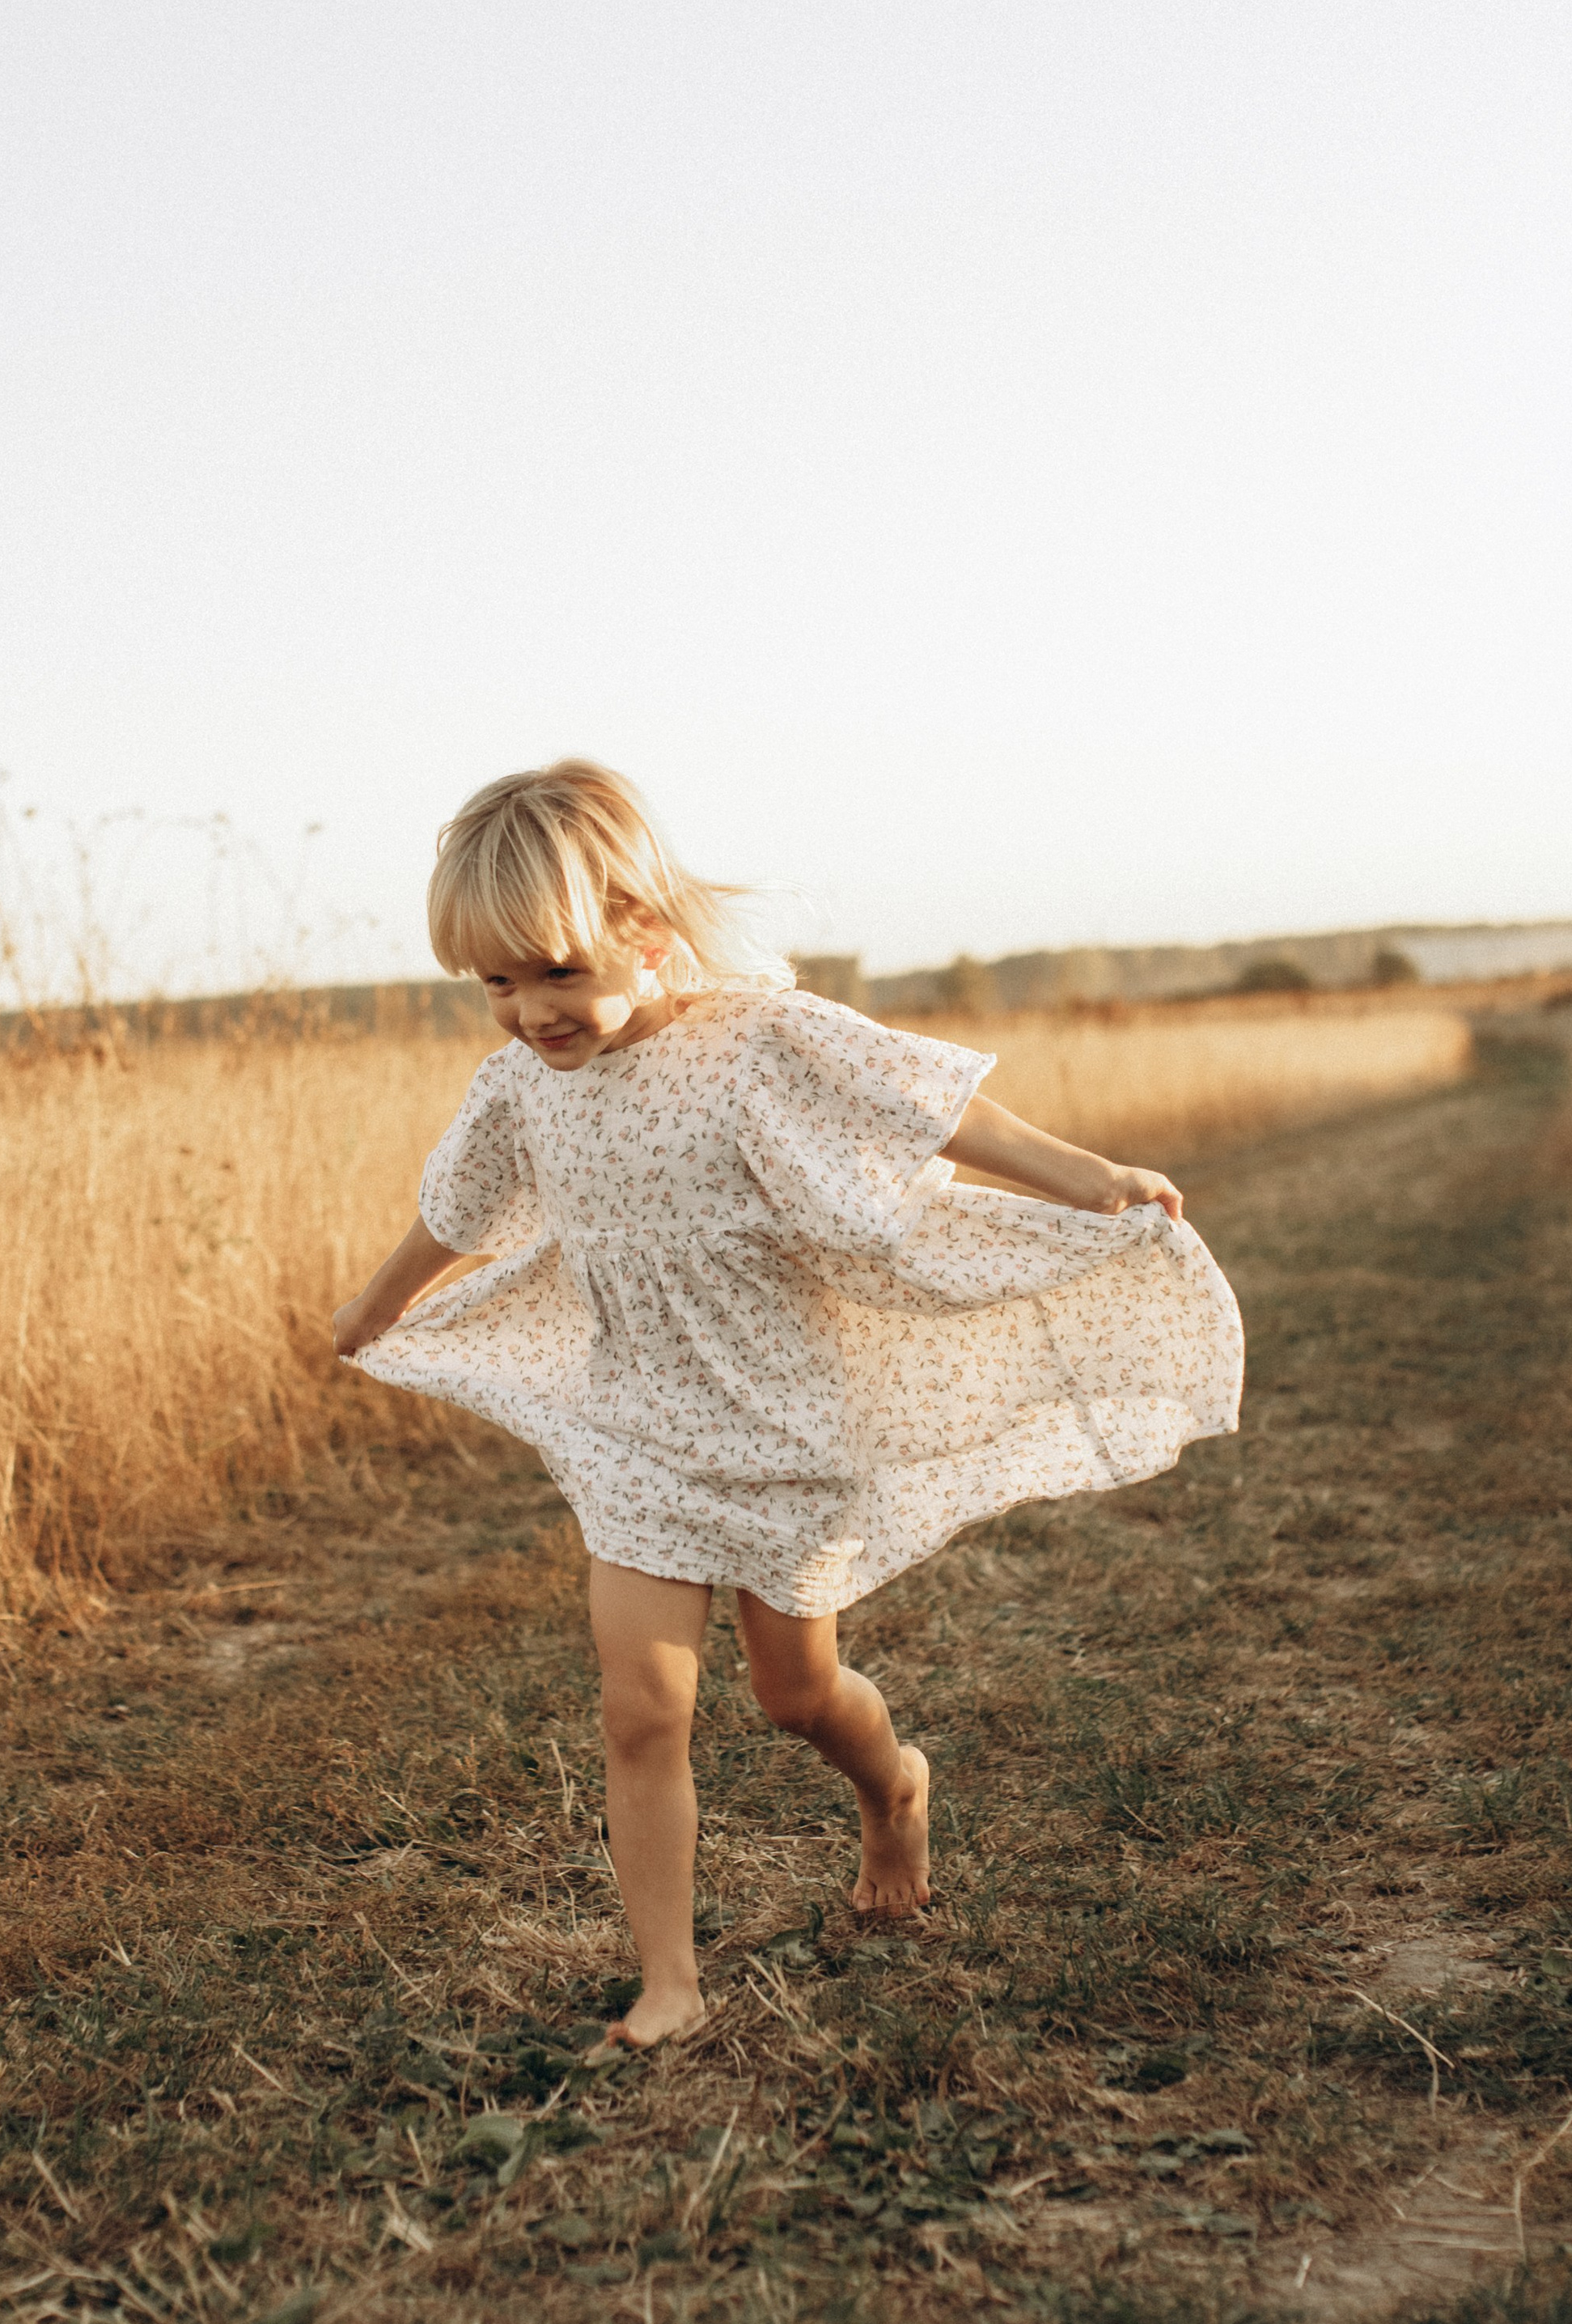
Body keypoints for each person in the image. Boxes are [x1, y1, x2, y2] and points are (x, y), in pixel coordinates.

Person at [333, 762, 1243, 2053]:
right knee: (641, 1708)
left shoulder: (758, 1038)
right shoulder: (522, 1087)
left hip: (786, 1427)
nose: (528, 1012)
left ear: (645, 934)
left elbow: (930, 1109)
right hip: (637, 1431)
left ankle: (895, 1789)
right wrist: (377, 1303)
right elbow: (458, 1211)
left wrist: (1091, 1178)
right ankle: (671, 1982)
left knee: (795, 1700)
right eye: (493, 984)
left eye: (553, 971)